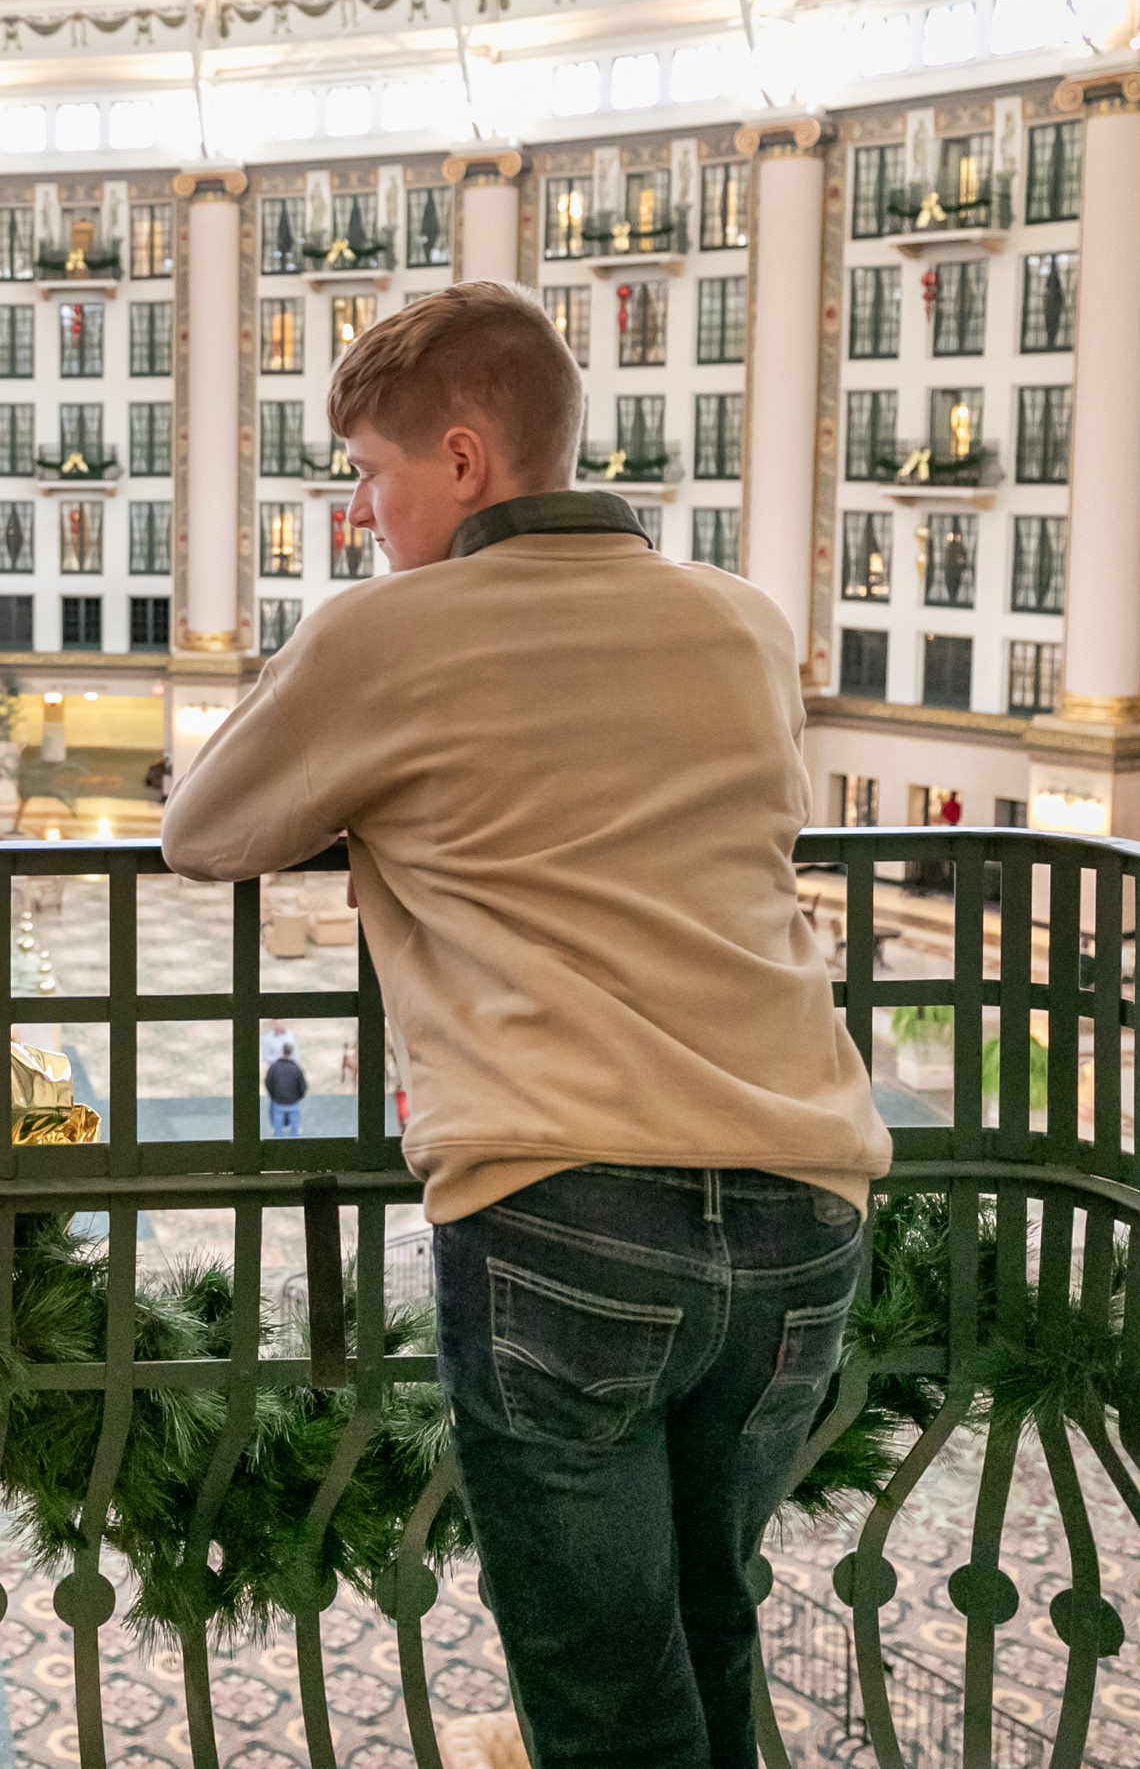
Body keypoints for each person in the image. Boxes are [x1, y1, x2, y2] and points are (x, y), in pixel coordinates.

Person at [163, 283, 890, 1769]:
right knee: (709, 1629)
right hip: (805, 1213)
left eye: (370, 469)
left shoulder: (388, 633)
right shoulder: (739, 622)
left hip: (566, 1213)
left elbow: (206, 826)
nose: (361, 508)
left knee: (606, 1696)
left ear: (464, 460)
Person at [264, 1041, 308, 1139]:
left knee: (277, 1132)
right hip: (293, 1103)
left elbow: (268, 1082)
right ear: (291, 1053)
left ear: (282, 1052)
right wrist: (299, 1097)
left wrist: (273, 1096)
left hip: (278, 1103)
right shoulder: (296, 1068)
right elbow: (303, 1085)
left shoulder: (274, 1067)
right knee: (294, 1131)